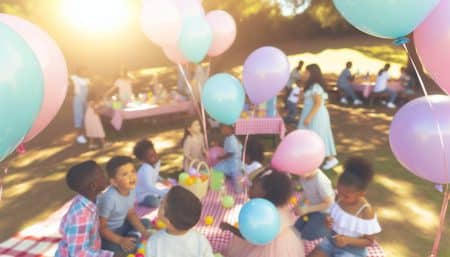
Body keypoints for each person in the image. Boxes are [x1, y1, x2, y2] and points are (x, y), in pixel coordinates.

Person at [221, 169, 305, 257]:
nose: (248, 189)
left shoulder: (263, 214)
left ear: (264, 193)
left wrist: (230, 228)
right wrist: (267, 167)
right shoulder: (276, 209)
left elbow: (250, 237)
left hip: (268, 250)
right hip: (284, 244)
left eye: (252, 186)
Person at [308, 158, 381, 257]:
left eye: (346, 196)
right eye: (339, 191)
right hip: (331, 240)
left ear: (361, 194)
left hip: (352, 250)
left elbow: (369, 241)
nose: (341, 197)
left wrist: (348, 240)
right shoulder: (338, 197)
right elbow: (333, 217)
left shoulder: (366, 211)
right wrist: (328, 222)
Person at [55, 160, 112, 257]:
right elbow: (79, 254)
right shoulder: (81, 217)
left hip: (94, 247)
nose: (105, 176)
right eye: (101, 174)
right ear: (93, 186)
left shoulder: (90, 198)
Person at [97, 156, 151, 256]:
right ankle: (130, 241)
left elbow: (131, 214)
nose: (132, 177)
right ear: (113, 182)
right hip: (108, 234)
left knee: (146, 223)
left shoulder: (131, 189)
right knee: (117, 253)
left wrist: (144, 232)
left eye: (133, 171)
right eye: (125, 174)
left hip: (121, 226)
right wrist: (120, 240)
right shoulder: (109, 198)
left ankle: (131, 238)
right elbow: (102, 228)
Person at [146, 186, 215, 257]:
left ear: (168, 221)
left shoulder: (155, 242)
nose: (160, 201)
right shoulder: (201, 241)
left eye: (163, 202)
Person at [297, 64, 338, 170]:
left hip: (316, 115)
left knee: (318, 135)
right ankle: (309, 158)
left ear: (312, 74)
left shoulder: (316, 87)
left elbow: (318, 103)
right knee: (307, 136)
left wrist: (309, 117)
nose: (304, 74)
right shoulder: (310, 87)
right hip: (310, 112)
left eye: (307, 72)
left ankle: (330, 158)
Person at [294, 168, 334, 240]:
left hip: (325, 213)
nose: (298, 173)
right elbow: (306, 191)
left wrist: (307, 209)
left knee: (307, 234)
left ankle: (327, 231)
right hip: (313, 207)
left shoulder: (321, 181)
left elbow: (329, 203)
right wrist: (299, 203)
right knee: (296, 228)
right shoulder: (304, 176)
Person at [133, 139, 169, 208]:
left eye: (155, 154)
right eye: (151, 156)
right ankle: (146, 203)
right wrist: (162, 193)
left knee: (167, 191)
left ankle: (161, 197)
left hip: (151, 192)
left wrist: (162, 180)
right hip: (143, 196)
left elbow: (155, 175)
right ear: (143, 160)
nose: (155, 157)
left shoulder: (153, 165)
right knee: (156, 202)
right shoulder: (146, 168)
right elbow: (148, 186)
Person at [214, 124, 243, 193]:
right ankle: (217, 186)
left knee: (236, 176)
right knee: (217, 168)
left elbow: (231, 153)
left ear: (230, 129)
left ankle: (239, 191)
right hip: (229, 161)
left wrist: (221, 157)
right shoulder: (228, 138)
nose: (221, 130)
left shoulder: (232, 140)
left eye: (223, 128)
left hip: (234, 163)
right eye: (221, 128)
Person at [71, 67, 90, 144]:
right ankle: (79, 136)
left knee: (86, 117)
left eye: (86, 71)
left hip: (85, 100)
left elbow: (89, 90)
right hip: (78, 99)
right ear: (79, 71)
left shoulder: (87, 80)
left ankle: (85, 135)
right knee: (79, 117)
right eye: (84, 71)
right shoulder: (74, 78)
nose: (85, 72)